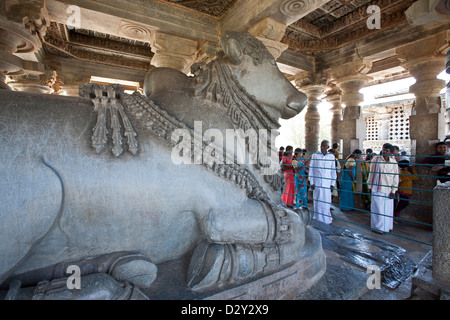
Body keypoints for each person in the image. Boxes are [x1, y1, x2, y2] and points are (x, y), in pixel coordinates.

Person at [367, 143, 399, 234]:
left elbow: (395, 177)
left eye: (387, 150)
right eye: (384, 149)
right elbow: (371, 173)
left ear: (391, 153)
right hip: (377, 188)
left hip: (388, 189)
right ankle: (377, 228)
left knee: (387, 210)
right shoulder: (376, 159)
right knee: (378, 209)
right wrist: (369, 186)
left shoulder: (393, 163)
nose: (384, 151)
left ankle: (386, 227)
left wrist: (394, 190)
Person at [309, 140, 337, 225]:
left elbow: (333, 171)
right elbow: (311, 169)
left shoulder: (331, 157)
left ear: (328, 147)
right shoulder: (315, 155)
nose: (322, 147)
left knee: (326, 202)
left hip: (327, 183)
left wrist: (332, 183)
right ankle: (317, 218)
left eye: (325, 146)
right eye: (322, 145)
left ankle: (326, 218)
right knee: (317, 201)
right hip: (317, 183)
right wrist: (312, 182)